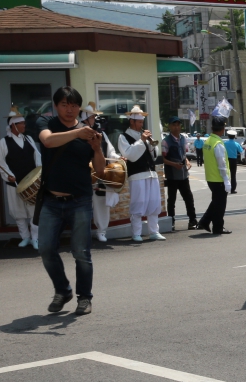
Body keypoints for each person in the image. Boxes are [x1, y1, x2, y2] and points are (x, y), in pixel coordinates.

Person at [37, 86, 106, 316]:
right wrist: (77, 133)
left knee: (81, 252)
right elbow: (48, 142)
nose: (69, 109)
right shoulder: (46, 125)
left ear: (79, 107)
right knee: (45, 248)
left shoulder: (90, 133)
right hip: (51, 199)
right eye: (64, 104)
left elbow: (100, 169)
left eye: (74, 105)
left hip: (80, 200)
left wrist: (96, 148)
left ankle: (84, 297)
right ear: (56, 106)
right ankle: (63, 290)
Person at [0, 105, 41, 249]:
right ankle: (25, 237)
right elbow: (0, 161)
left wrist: (39, 174)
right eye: (22, 123)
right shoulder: (4, 142)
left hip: (31, 184)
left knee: (34, 212)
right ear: (14, 125)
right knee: (19, 213)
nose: (24, 125)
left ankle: (35, 238)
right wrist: (8, 175)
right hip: (14, 183)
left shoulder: (28, 139)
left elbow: (37, 157)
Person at [118, 105, 164, 241]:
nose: (141, 125)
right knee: (138, 203)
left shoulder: (142, 136)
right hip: (137, 175)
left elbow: (154, 156)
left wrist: (150, 145)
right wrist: (142, 141)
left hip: (151, 173)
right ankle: (136, 233)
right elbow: (130, 155)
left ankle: (154, 231)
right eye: (139, 122)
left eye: (142, 122)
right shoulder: (123, 136)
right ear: (131, 121)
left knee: (154, 203)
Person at [80, 103, 121, 242]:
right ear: (85, 117)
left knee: (101, 203)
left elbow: (110, 151)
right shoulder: (78, 132)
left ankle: (101, 230)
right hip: (83, 174)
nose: (94, 118)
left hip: (99, 174)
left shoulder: (101, 133)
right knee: (81, 205)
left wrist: (117, 158)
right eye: (92, 116)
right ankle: (82, 233)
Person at [161, 116, 198, 231]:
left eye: (178, 125)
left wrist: (187, 162)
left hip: (183, 174)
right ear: (170, 127)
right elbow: (163, 159)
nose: (176, 127)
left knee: (189, 198)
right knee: (172, 199)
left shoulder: (183, 139)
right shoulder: (165, 141)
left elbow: (184, 155)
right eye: (174, 125)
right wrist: (174, 164)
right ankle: (171, 221)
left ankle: (192, 220)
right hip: (172, 175)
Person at [197, 115, 231, 234]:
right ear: (222, 129)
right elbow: (221, 164)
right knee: (220, 205)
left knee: (216, 202)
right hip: (219, 179)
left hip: (211, 178)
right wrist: (226, 180)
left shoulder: (208, 141)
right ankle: (218, 227)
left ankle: (204, 222)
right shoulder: (218, 144)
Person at [225, 130, 243, 194]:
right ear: (234, 136)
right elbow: (241, 151)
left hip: (226, 160)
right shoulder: (236, 144)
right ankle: (233, 189)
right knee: (233, 175)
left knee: (226, 175)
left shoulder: (225, 143)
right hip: (233, 160)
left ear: (228, 136)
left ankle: (226, 189)